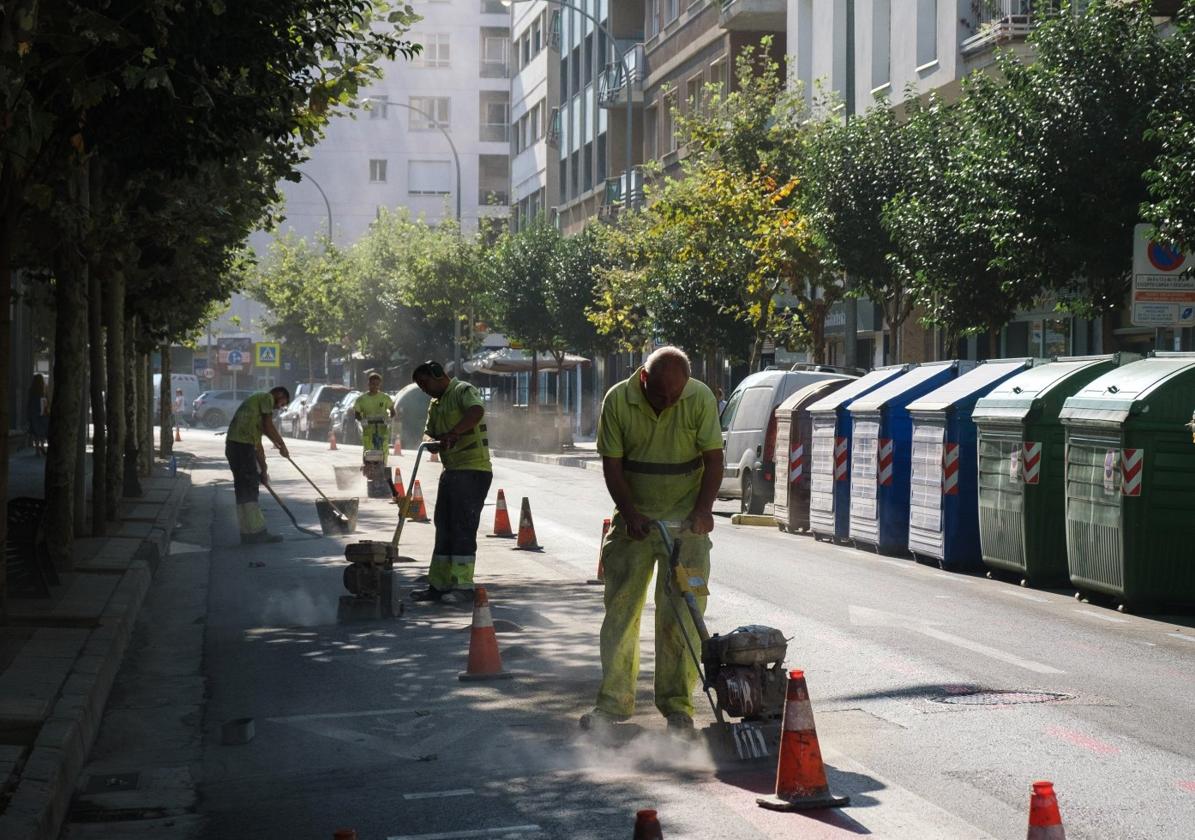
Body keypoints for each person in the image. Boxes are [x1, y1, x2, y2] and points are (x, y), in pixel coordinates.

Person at [581, 346, 724, 736]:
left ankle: (678, 708)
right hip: (635, 519)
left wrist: (703, 510)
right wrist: (630, 514)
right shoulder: (618, 400)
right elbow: (612, 465)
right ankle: (612, 705)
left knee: (682, 614)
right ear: (643, 378)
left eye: (675, 396)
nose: (667, 402)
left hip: (686, 524)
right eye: (660, 394)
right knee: (621, 613)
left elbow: (713, 460)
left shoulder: (699, 398)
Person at [409, 361, 492, 604]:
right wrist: (432, 441)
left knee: (462, 526)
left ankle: (463, 585)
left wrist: (454, 433)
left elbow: (476, 411)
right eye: (419, 386)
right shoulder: (436, 404)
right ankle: (438, 585)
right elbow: (428, 432)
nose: (424, 389)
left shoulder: (462, 391)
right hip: (452, 470)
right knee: (443, 525)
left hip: (473, 470)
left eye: (425, 383)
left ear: (438, 375)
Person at [225, 387, 291, 544]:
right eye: (282, 403)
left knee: (243, 489)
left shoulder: (255, 417)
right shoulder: (266, 398)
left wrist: (263, 470)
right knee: (249, 489)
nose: (279, 408)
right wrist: (282, 445)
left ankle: (247, 533)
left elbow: (259, 445)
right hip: (242, 446)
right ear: (279, 395)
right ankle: (257, 532)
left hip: (235, 447)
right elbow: (269, 426)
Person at [353, 371, 395, 464]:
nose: (375, 386)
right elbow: (357, 414)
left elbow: (393, 411)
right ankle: (367, 468)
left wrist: (388, 420)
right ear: (368, 384)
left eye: (377, 384)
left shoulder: (385, 398)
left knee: (383, 450)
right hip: (368, 431)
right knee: (368, 451)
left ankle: (383, 467)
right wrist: (361, 420)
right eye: (373, 384)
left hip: (382, 431)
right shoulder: (361, 399)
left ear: (380, 385)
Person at [27, 374, 49, 456]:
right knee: (43, 432)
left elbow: (29, 403)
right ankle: (42, 446)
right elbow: (46, 401)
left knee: (36, 432)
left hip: (34, 413)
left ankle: (37, 451)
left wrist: (29, 414)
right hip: (43, 413)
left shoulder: (31, 390)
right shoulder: (44, 390)